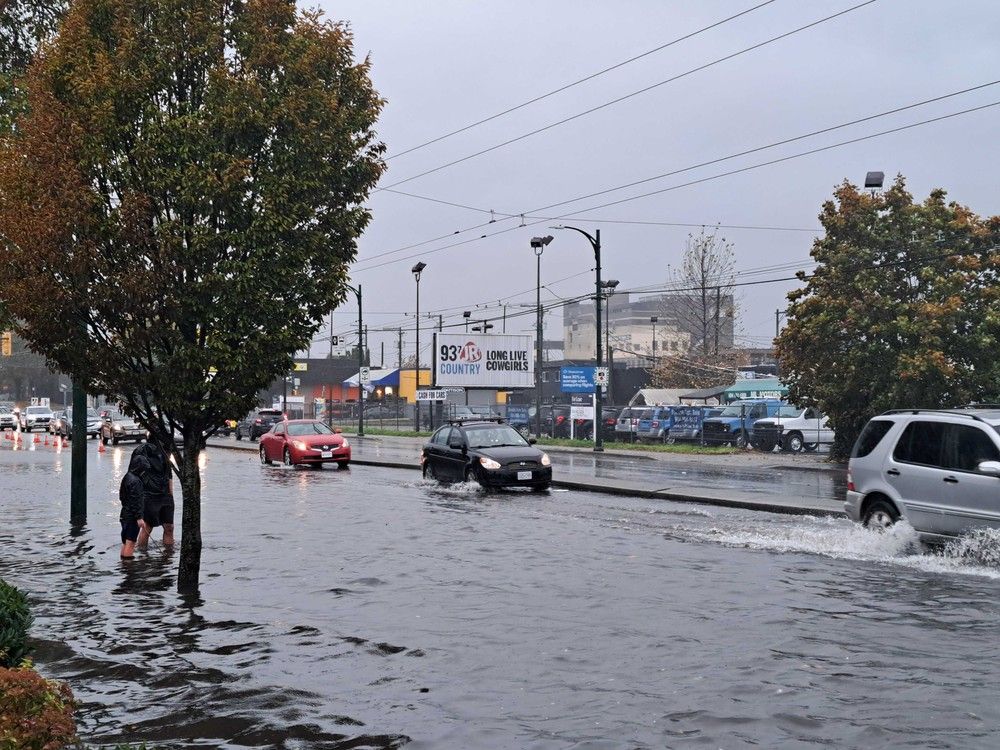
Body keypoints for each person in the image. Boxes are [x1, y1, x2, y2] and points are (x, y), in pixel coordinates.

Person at [133, 441, 175, 546]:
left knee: (169, 527)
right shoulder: (142, 451)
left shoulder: (166, 450)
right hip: (149, 496)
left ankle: (168, 558)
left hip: (165, 496)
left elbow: (169, 475)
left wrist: (170, 496)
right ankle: (142, 556)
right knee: (148, 527)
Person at [120, 453, 150, 559]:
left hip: (124, 514)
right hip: (132, 517)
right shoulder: (136, 482)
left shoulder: (127, 477)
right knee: (131, 542)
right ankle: (129, 568)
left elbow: (122, 496)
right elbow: (136, 500)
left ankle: (123, 564)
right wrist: (139, 518)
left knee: (125, 541)